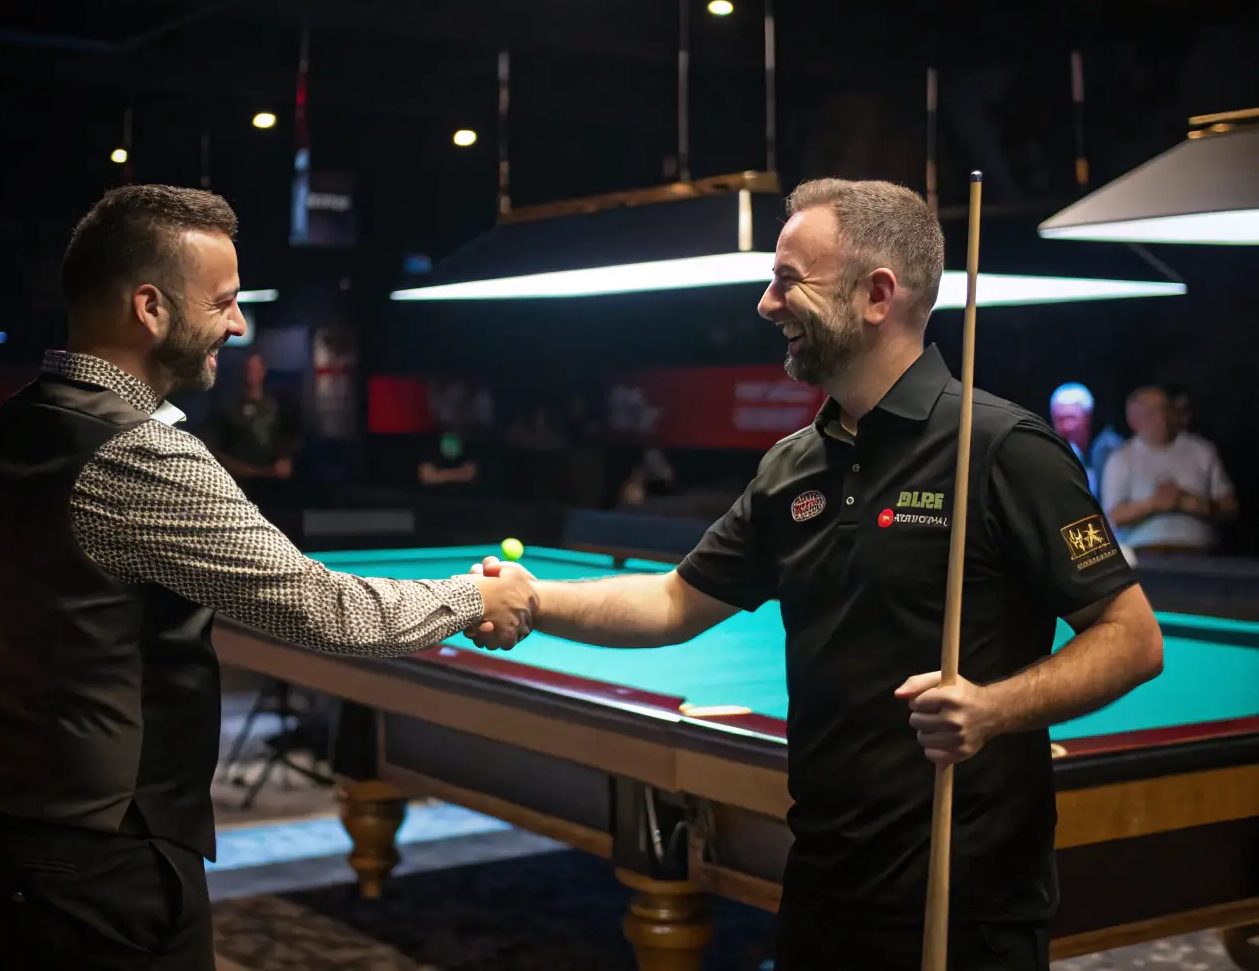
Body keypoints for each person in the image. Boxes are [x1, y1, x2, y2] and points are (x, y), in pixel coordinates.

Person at [467, 178, 1163, 970]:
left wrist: (993, 708)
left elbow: (1131, 638)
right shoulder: (792, 466)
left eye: (788, 280)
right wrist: (533, 599)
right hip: (822, 880)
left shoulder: (1002, 449)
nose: (766, 304)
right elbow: (672, 602)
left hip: (964, 897)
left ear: (876, 296)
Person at [0, 184, 537, 971]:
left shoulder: (0, 433)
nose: (240, 324)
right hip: (97, 866)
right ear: (150, 308)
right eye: (223, 301)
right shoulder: (137, 452)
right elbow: (323, 608)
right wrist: (477, 596)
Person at [1101, 385, 1237, 554]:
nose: (1161, 419)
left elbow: (1229, 507)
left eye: (1165, 410)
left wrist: (1191, 503)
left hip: (1198, 554)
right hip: (1143, 555)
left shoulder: (1202, 451)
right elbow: (1112, 517)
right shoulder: (1121, 459)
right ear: (1133, 420)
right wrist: (1154, 504)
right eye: (1151, 413)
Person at [208, 352, 295, 508]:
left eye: (256, 369)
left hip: (272, 491)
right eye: (249, 369)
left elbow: (287, 439)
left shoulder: (275, 406)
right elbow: (218, 453)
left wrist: (284, 461)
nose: (252, 374)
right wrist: (255, 472)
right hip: (239, 488)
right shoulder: (229, 408)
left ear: (263, 372)